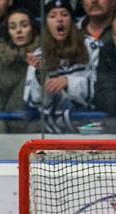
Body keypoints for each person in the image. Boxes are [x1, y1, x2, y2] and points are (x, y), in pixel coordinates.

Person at [23, 0, 95, 132]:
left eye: (64, 14)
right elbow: (34, 101)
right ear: (46, 24)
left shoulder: (92, 47)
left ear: (72, 21)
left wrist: (68, 83)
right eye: (52, 16)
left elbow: (100, 88)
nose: (59, 20)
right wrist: (40, 74)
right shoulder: (39, 55)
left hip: (88, 123)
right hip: (53, 128)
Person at [0, 6, 41, 133]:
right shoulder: (1, 61)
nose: (18, 31)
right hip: (7, 130)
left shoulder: (43, 56)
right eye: (13, 27)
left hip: (37, 128)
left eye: (24, 25)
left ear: (33, 28)